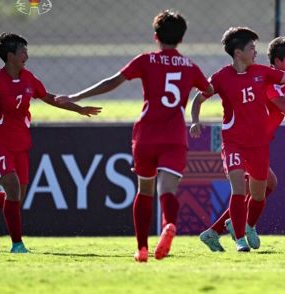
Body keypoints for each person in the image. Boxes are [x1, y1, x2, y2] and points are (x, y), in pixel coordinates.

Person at [55, 11, 212, 262]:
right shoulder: (190, 67)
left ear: (155, 36)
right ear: (181, 38)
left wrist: (75, 97)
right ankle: (169, 224)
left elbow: (112, 81)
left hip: (146, 134)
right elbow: (208, 89)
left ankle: (141, 248)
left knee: (145, 189)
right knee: (168, 190)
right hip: (173, 135)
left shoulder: (146, 60)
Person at [191, 27, 285, 252]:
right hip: (236, 141)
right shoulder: (265, 80)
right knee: (241, 189)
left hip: (259, 144)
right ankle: (241, 232)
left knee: (264, 187)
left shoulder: (274, 79)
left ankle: (218, 230)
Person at [0, 33, 100, 253]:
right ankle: (17, 244)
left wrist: (78, 108)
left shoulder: (28, 78)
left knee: (17, 196)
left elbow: (48, 97)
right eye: (22, 51)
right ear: (10, 56)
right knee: (13, 189)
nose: (27, 54)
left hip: (20, 141)